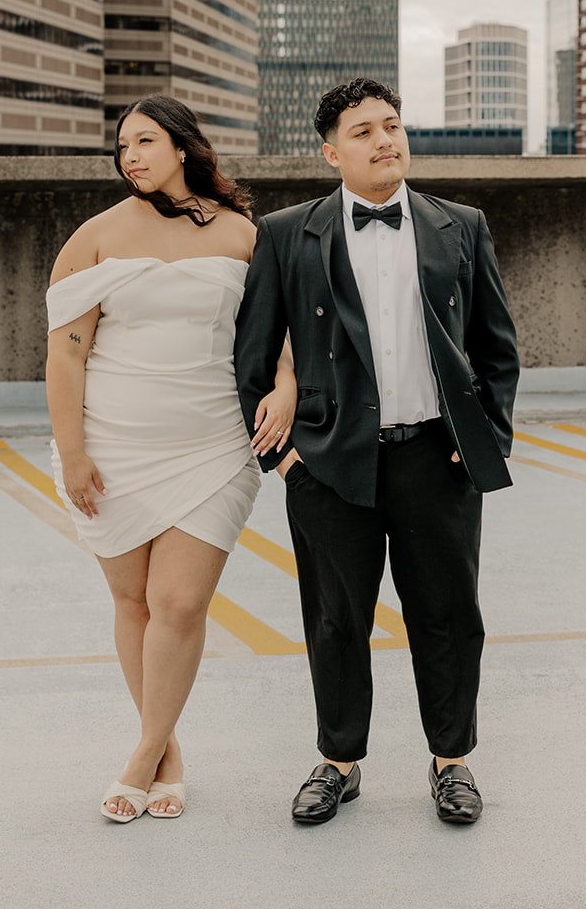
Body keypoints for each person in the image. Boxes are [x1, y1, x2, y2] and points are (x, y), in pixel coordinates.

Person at [234, 78, 519, 827]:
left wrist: (483, 439)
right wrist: (284, 460)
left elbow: (497, 350)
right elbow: (251, 360)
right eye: (362, 131)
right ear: (330, 151)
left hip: (436, 457)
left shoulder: (461, 224)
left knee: (448, 616)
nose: (384, 139)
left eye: (391, 125)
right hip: (330, 462)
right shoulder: (286, 232)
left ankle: (451, 760)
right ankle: (337, 760)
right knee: (335, 619)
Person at [45, 96, 296, 823]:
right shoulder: (93, 237)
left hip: (214, 442)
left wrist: (285, 387)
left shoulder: (243, 234)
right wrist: (72, 453)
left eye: (145, 141)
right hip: (112, 445)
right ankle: (168, 754)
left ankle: (140, 755)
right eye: (122, 146)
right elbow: (65, 354)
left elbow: (277, 333)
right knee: (131, 601)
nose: (131, 156)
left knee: (179, 603)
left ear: (182, 147)